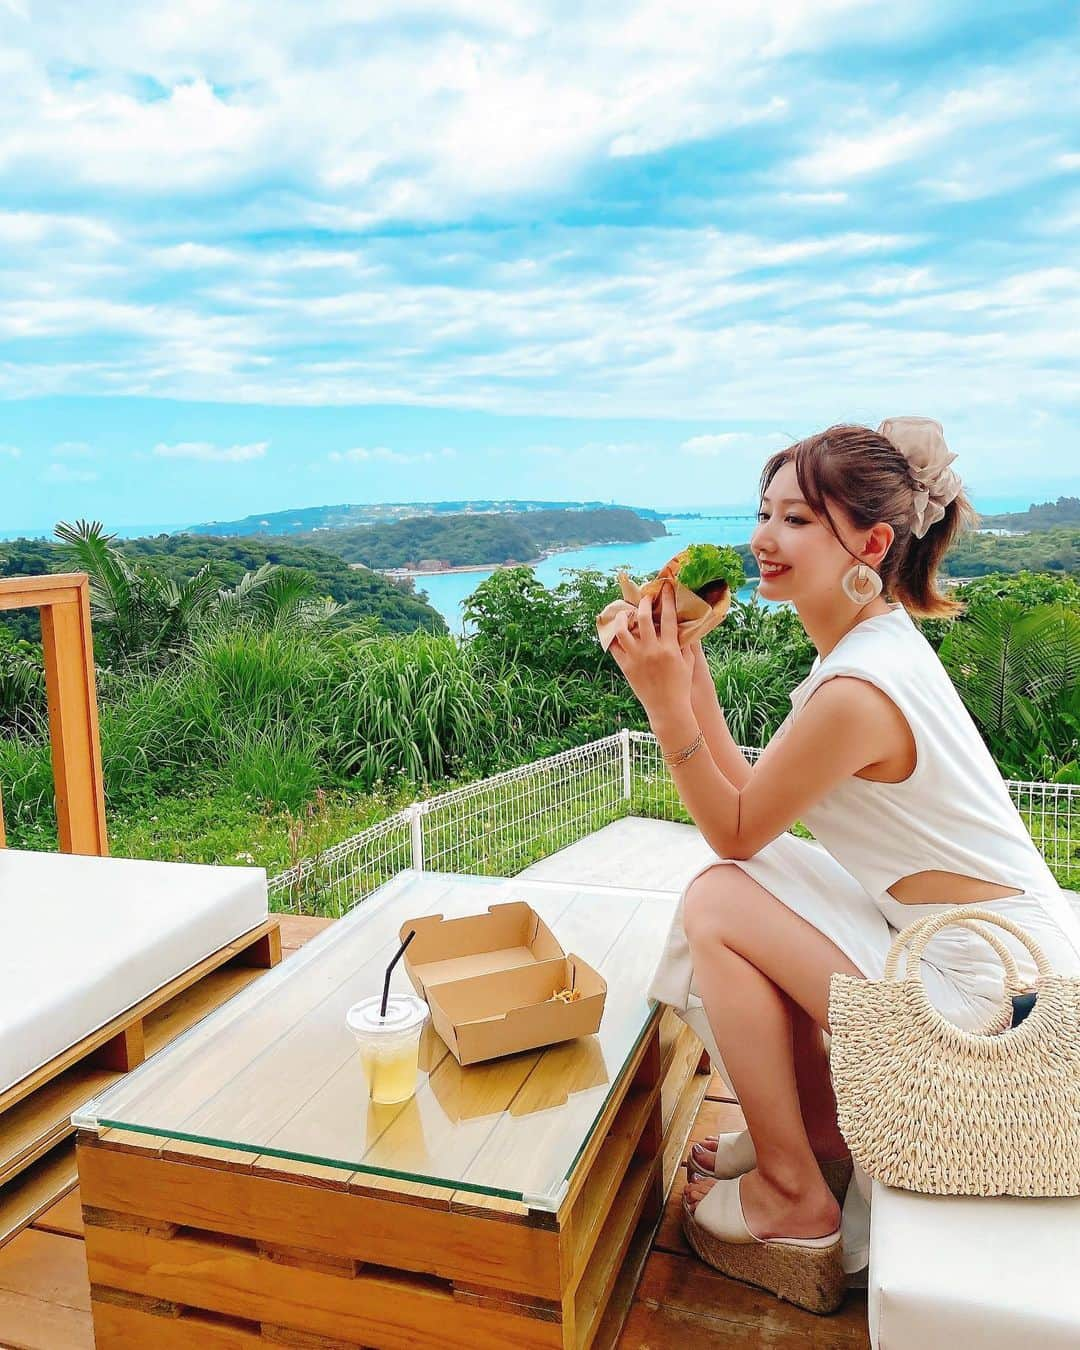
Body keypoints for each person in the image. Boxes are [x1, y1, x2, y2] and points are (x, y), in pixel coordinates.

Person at [605, 419, 1080, 1316]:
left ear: (870, 545)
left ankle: (794, 1193)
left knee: (720, 896)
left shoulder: (857, 691)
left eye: (795, 521)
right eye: (763, 514)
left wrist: (664, 701)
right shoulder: (867, 648)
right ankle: (816, 1140)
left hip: (995, 997)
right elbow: (751, 804)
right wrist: (691, 663)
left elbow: (733, 832)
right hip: (987, 952)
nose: (762, 539)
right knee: (750, 887)